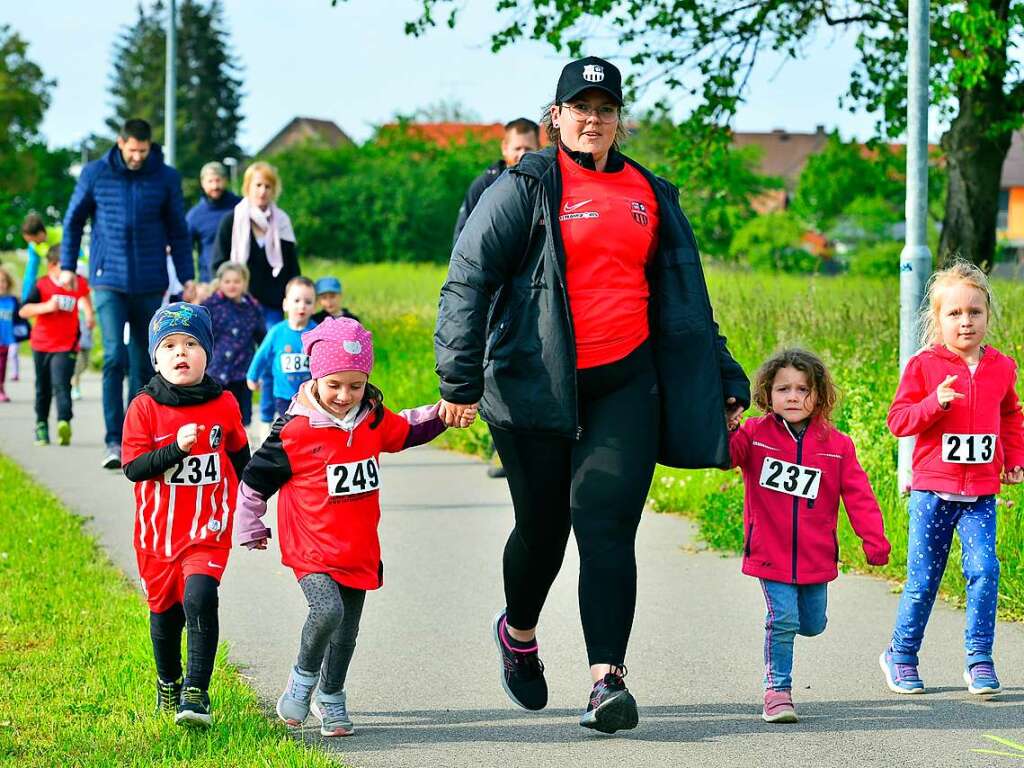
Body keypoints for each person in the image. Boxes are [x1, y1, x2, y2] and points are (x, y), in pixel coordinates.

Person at [433, 56, 749, 734]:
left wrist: (721, 371)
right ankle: (518, 633)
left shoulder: (649, 192)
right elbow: (469, 277)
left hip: (625, 382)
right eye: (581, 107)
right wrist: (457, 377)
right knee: (543, 532)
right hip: (532, 384)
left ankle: (607, 681)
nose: (593, 118)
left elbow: (685, 298)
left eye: (606, 109)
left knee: (605, 525)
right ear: (556, 116)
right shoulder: (527, 185)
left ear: (618, 119)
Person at [234, 317, 471, 737]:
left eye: (356, 386)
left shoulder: (372, 419)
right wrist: (250, 526)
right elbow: (254, 481)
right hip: (309, 545)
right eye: (335, 385)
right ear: (315, 376)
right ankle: (301, 683)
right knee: (327, 611)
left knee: (347, 631)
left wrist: (444, 414)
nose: (345, 396)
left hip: (358, 546)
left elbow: (408, 428)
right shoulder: (294, 430)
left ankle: (332, 697)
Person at [880, 260, 1024, 697]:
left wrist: (1013, 458)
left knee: (985, 570)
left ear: (987, 315)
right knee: (925, 578)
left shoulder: (1002, 366)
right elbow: (898, 420)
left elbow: (1011, 415)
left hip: (980, 492)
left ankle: (979, 660)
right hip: (931, 492)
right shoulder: (924, 366)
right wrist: (933, 404)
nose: (966, 321)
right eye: (955, 313)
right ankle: (901, 655)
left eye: (975, 312)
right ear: (937, 318)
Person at [729, 348, 890, 723]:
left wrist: (874, 539)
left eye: (803, 388)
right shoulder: (754, 434)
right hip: (769, 551)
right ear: (768, 395)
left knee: (811, 624)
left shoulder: (837, 445)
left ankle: (790, 642)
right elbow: (727, 456)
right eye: (783, 389)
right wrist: (728, 425)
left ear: (819, 394)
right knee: (782, 620)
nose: (794, 396)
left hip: (816, 557)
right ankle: (777, 691)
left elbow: (859, 496)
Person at [121, 302, 250, 728]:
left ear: (207, 354)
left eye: (192, 344)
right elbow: (133, 468)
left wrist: (256, 501)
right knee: (165, 613)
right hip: (157, 535)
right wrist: (175, 448)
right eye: (170, 345)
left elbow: (239, 455)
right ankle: (169, 682)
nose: (181, 353)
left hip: (208, 529)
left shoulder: (224, 403)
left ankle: (196, 691)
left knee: (199, 597)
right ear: (155, 357)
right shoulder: (144, 407)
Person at [61, 118, 194, 470]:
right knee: (114, 357)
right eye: (132, 150)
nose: (137, 156)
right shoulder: (95, 173)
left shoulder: (166, 177)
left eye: (143, 150)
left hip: (150, 281)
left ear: (150, 147)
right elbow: (74, 220)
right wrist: (67, 265)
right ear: (120, 143)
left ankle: (136, 439)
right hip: (107, 279)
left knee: (143, 362)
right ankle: (112, 441)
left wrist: (187, 277)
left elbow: (179, 231)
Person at [213, 161, 300, 429]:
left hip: (273, 303)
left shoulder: (282, 222)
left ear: (274, 190)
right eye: (257, 185)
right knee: (234, 363)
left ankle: (268, 420)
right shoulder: (232, 219)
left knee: (273, 359)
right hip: (239, 304)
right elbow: (219, 262)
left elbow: (291, 266)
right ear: (247, 188)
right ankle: (234, 420)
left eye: (267, 186)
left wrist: (294, 296)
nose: (262, 191)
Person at [19, 247, 95, 446]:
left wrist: (89, 315)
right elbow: (24, 311)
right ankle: (41, 425)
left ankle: (64, 422)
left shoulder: (77, 282)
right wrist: (47, 307)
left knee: (62, 384)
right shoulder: (41, 285)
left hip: (66, 344)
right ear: (52, 266)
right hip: (41, 345)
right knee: (42, 387)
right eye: (64, 266)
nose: (70, 269)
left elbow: (85, 295)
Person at [452, 118, 541, 245]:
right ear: (505, 148)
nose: (522, 155)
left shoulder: (546, 184)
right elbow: (461, 236)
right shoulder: (485, 184)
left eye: (528, 149)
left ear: (539, 148)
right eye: (517, 148)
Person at [202, 262, 265, 426]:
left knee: (241, 416)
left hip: (242, 370)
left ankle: (241, 447)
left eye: (237, 281)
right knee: (215, 415)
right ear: (220, 282)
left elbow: (261, 337)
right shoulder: (210, 306)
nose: (232, 285)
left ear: (244, 283)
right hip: (216, 370)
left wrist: (262, 367)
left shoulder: (252, 307)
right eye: (227, 281)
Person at [246, 276, 316, 421]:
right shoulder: (277, 332)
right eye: (296, 301)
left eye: (308, 302)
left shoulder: (316, 332)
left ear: (314, 307)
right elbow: (262, 355)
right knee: (288, 427)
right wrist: (252, 376)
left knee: (307, 426)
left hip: (310, 394)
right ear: (285, 304)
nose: (302, 306)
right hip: (283, 394)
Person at [187, 162, 243, 284]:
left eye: (218, 180)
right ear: (202, 183)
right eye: (210, 181)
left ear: (225, 180)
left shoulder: (241, 206)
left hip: (241, 279)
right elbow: (185, 250)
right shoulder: (194, 216)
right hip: (210, 282)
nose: (215, 186)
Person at [0, 267, 21, 403]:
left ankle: (1, 389)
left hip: (6, 339)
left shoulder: (12, 301)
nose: (2, 284)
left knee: (2, 366)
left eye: (3, 281)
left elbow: (19, 319)